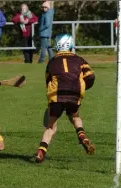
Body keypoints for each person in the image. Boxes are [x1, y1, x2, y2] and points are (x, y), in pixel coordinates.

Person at [34, 34, 95, 163]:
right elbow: (90, 76)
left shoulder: (52, 61)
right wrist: (83, 87)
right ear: (71, 44)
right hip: (74, 93)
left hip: (56, 96)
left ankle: (41, 151)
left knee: (51, 128)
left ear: (57, 45)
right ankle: (81, 134)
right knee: (75, 116)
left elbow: (48, 82)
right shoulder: (80, 59)